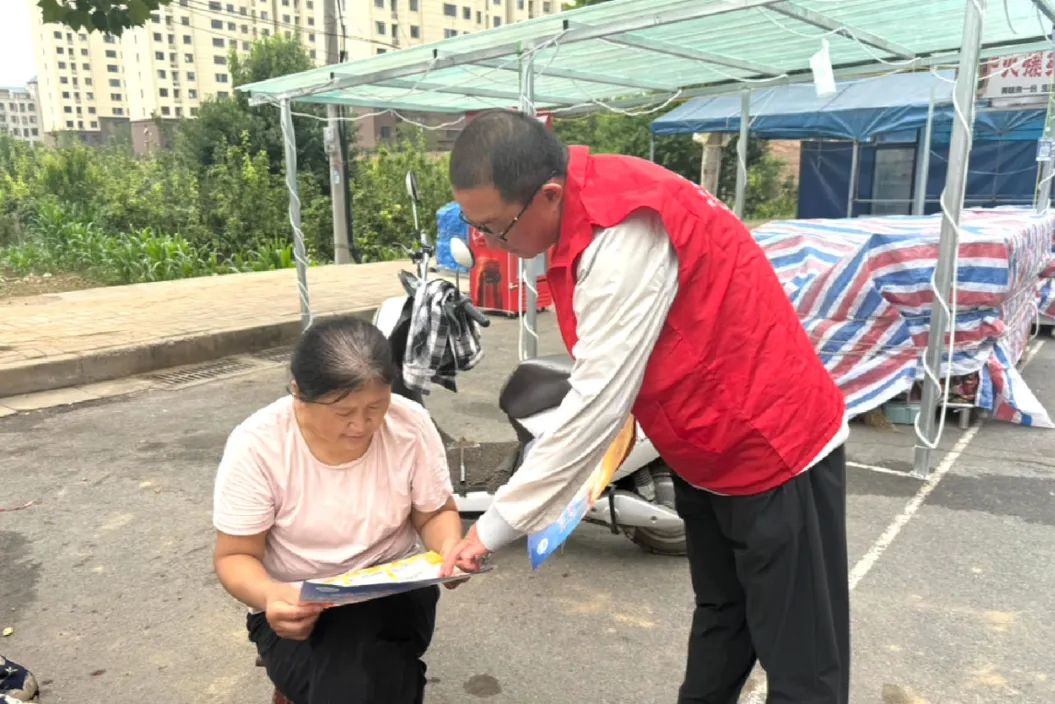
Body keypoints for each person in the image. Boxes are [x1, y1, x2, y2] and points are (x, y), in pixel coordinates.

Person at [442, 110, 850, 704]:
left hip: (771, 445)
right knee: (722, 615)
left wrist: (494, 527)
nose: (488, 243)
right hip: (701, 449)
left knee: (801, 661)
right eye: (476, 227)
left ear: (547, 195)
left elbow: (597, 400)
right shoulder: (582, 206)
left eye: (494, 228)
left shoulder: (623, 228)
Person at [212, 316, 463, 704]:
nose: (361, 425)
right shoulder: (259, 445)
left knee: (358, 670)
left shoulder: (409, 423)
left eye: (376, 406)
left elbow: (433, 512)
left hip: (392, 591)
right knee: (373, 677)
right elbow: (235, 555)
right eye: (343, 412)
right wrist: (270, 595)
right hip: (296, 604)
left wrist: (448, 549)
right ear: (298, 393)